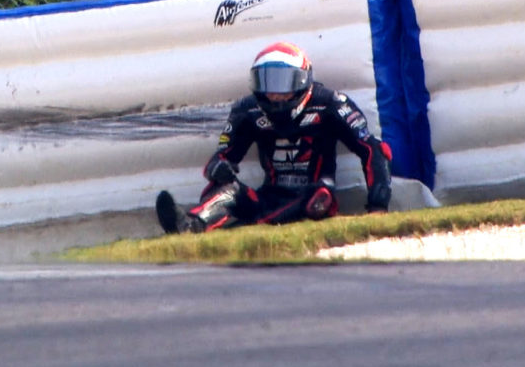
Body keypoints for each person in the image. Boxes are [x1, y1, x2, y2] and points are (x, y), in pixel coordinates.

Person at [155, 41, 393, 233]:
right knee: (226, 187)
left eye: (283, 83)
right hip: (266, 196)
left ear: (302, 80)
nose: (275, 94)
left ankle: (243, 230)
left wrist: (378, 207)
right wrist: (220, 168)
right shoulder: (247, 110)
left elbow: (373, 150)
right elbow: (219, 159)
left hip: (314, 197)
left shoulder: (331, 103)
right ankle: (190, 226)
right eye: (267, 82)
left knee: (319, 196)